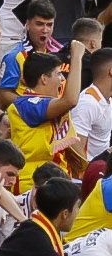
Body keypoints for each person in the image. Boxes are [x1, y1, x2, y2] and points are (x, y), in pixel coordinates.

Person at [8, 45, 84, 191]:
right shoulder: (26, 104)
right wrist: (76, 58)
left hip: (55, 180)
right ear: (43, 79)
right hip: (32, 185)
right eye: (58, 74)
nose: (62, 80)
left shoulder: (48, 104)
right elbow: (71, 100)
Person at [71, 47, 112, 160]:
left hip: (103, 170)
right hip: (87, 175)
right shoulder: (87, 103)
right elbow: (76, 152)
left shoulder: (108, 99)